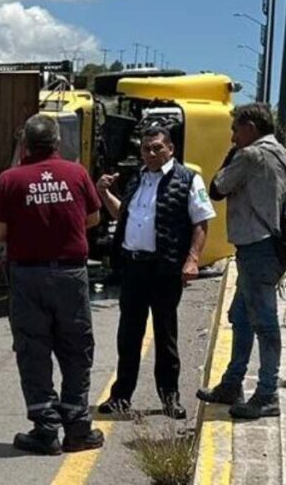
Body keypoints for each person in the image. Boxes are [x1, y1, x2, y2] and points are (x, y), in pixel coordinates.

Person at [0, 114, 104, 455]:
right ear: (56, 143)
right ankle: (78, 426)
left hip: (28, 276)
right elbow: (94, 218)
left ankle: (45, 429)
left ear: (24, 145)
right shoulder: (77, 174)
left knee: (33, 349)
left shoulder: (10, 180)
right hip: (71, 275)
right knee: (76, 348)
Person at [95, 125, 215, 419]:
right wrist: (104, 192)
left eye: (157, 148)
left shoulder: (188, 179)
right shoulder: (137, 178)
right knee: (129, 335)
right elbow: (124, 214)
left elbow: (201, 221)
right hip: (134, 267)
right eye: (146, 148)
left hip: (165, 268)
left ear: (170, 149)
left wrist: (192, 259)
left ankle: (170, 397)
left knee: (165, 334)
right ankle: (121, 396)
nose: (150, 153)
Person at [197, 103, 286, 419]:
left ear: (251, 127)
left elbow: (217, 188)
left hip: (257, 247)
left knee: (264, 323)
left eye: (236, 129)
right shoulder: (282, 152)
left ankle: (267, 394)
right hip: (269, 246)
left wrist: (232, 152)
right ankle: (232, 383)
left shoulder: (250, 155)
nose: (233, 135)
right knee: (240, 315)